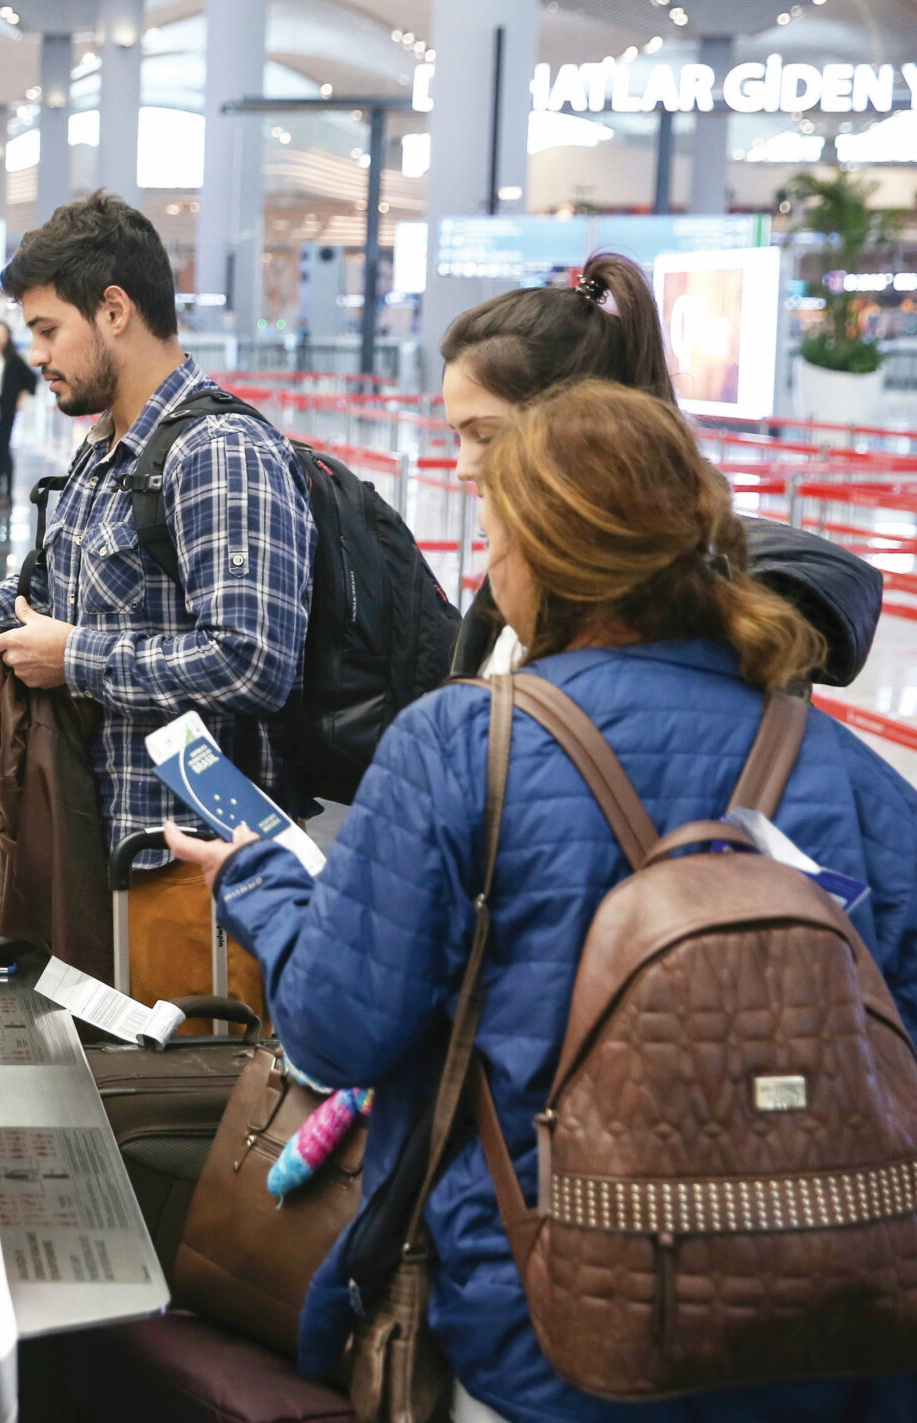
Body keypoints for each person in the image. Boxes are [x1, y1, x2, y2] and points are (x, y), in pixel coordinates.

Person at [165, 381, 917, 1423]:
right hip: (831, 1337)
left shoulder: (464, 746)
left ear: (545, 553)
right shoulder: (853, 775)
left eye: (492, 529)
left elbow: (338, 1031)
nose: (482, 564)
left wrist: (259, 878)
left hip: (546, 1327)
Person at [0, 191, 313, 1013]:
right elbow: (42, 595)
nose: (35, 352)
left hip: (183, 867)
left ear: (114, 309)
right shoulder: (104, 449)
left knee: (173, 1110)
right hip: (90, 846)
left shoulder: (219, 453)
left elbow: (254, 660)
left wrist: (74, 656)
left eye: (48, 329)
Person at [441, 252, 880, 682]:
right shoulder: (525, 572)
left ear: (577, 425)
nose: (463, 467)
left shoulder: (705, 611)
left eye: (487, 436)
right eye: (458, 436)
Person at [0, 320, 39, 511]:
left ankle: (7, 494)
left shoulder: (13, 360)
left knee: (4, 450)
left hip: (4, 409)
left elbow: (31, 379)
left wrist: (21, 397)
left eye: (3, 334)